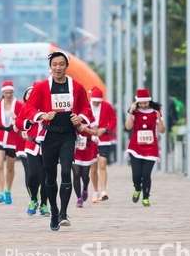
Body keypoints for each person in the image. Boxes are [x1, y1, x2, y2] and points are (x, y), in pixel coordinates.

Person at [19, 51, 94, 231]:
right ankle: (53, 210)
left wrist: (80, 118)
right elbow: (29, 108)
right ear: (50, 67)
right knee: (50, 176)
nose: (58, 68)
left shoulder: (76, 87)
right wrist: (42, 115)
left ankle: (63, 214)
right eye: (54, 64)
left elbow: (86, 108)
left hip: (67, 135)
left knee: (67, 172)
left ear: (67, 66)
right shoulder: (41, 87)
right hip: (48, 136)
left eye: (61, 64)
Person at [125, 88, 166, 207]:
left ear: (149, 101)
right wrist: (131, 112)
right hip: (135, 147)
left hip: (151, 148)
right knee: (136, 174)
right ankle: (137, 188)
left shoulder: (155, 112)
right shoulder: (135, 112)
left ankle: (146, 197)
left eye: (145, 103)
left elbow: (162, 130)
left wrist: (159, 120)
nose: (143, 105)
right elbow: (128, 127)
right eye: (141, 103)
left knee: (146, 174)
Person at [16, 83, 50, 216]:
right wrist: (29, 122)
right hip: (32, 145)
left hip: (48, 145)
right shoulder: (26, 107)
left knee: (46, 176)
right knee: (33, 174)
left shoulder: (49, 106)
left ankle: (44, 204)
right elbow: (19, 123)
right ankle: (33, 199)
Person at [86, 86, 117, 203]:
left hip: (104, 139)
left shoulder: (107, 106)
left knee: (102, 164)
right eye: (94, 102)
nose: (96, 104)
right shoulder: (86, 106)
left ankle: (104, 190)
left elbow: (113, 120)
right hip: (91, 140)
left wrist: (105, 129)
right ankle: (95, 190)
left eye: (98, 102)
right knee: (93, 168)